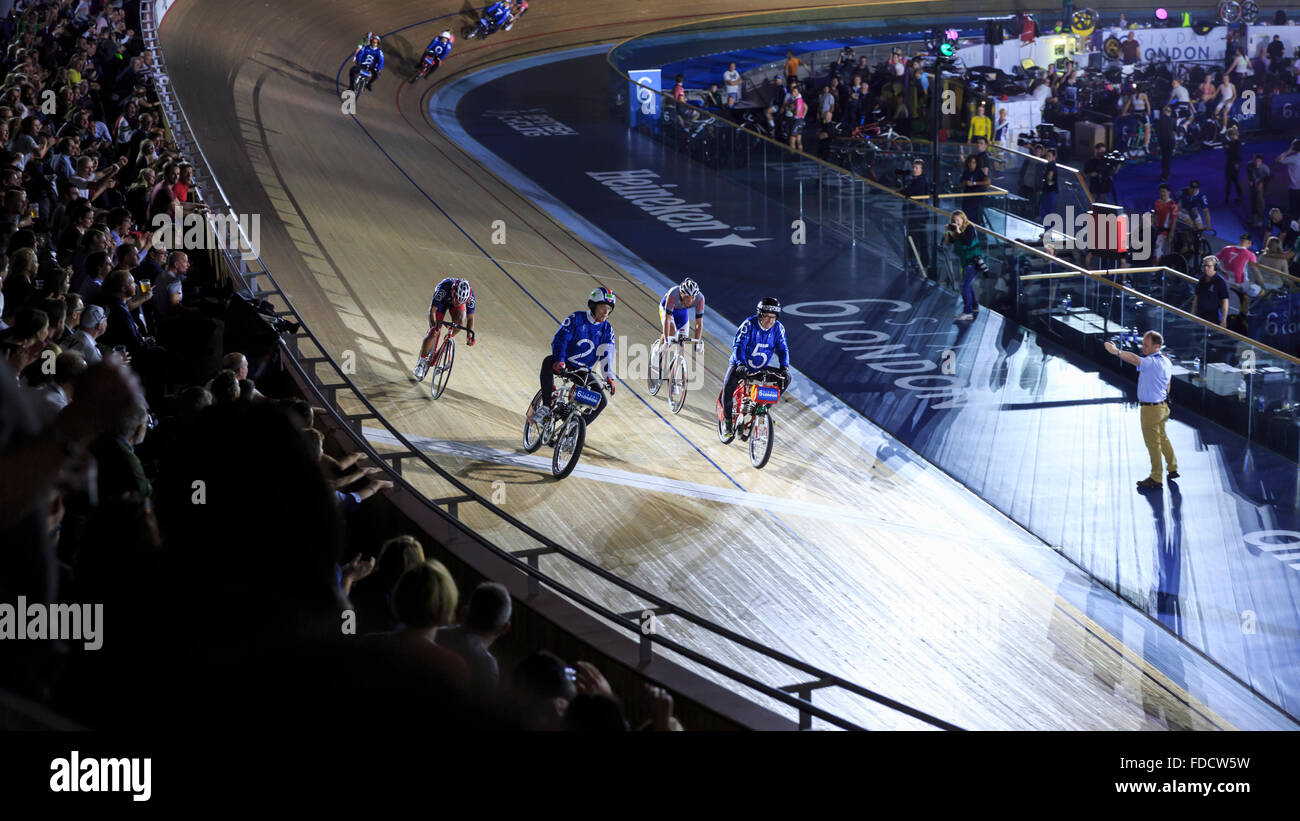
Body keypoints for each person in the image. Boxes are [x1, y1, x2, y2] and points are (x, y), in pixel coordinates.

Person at [1103, 331, 1178, 491]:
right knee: (1163, 438)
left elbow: (1134, 359)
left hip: (1150, 410)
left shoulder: (1150, 362)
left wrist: (1115, 351)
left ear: (1156, 347)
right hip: (1163, 407)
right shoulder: (1166, 362)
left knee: (1153, 444)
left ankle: (1156, 477)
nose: (1142, 347)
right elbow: (1168, 384)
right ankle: (1172, 467)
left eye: (1146, 345)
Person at [534, 287, 617, 425]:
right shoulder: (576, 318)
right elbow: (561, 339)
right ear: (593, 305)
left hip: (582, 372)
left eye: (609, 309)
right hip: (565, 363)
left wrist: (609, 378)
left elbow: (607, 354)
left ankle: (574, 431)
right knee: (548, 362)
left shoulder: (607, 329)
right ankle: (546, 406)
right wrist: (560, 359)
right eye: (603, 307)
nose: (606, 312)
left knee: (602, 401)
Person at [719, 298, 789, 436]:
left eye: (773, 317)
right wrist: (740, 365)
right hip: (741, 365)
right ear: (760, 314)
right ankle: (727, 422)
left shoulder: (778, 328)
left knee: (786, 379)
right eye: (767, 316)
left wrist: (784, 367)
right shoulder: (748, 325)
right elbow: (739, 346)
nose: (770, 321)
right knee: (728, 387)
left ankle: (763, 410)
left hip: (760, 367)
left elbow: (783, 349)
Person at [413, 277, 477, 381]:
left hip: (455, 302)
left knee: (460, 321)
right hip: (442, 302)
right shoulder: (444, 289)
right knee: (434, 332)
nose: (457, 303)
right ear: (453, 292)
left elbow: (470, 318)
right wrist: (435, 327)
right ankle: (421, 362)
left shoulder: (470, 298)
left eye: (461, 301)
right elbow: (432, 311)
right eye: (457, 300)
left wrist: (469, 336)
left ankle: (448, 338)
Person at [651, 278, 705, 379]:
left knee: (682, 345)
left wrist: (697, 343)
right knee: (671, 332)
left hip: (682, 314)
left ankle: (674, 379)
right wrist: (667, 339)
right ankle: (657, 349)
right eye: (687, 297)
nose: (690, 300)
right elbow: (667, 319)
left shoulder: (700, 298)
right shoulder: (673, 294)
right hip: (667, 310)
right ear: (681, 293)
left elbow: (699, 324)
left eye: (693, 297)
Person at [944, 210, 986, 321]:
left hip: (973, 262)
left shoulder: (970, 228)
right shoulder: (956, 231)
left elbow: (968, 242)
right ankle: (974, 306)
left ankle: (968, 312)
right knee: (968, 286)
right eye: (954, 220)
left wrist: (958, 231)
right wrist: (948, 232)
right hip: (966, 262)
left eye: (958, 219)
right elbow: (948, 242)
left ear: (963, 219)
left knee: (964, 286)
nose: (956, 222)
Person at [1191, 255, 1230, 327]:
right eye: (1204, 266)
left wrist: (1224, 319)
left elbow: (1225, 301)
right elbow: (1196, 296)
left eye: (1208, 266)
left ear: (1215, 267)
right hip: (1200, 313)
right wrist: (1192, 312)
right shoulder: (1202, 279)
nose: (1206, 268)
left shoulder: (1220, 282)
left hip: (1213, 316)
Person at [1153, 184, 1179, 260]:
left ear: (1169, 192)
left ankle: (1156, 267)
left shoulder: (1173, 205)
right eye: (1160, 192)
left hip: (1165, 231)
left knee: (1157, 248)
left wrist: (1170, 236)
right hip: (1157, 230)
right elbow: (1155, 215)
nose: (1162, 193)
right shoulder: (1157, 202)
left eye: (1164, 191)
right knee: (1156, 248)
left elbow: (1174, 221)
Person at [1275, 139, 1300, 218]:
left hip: (1294, 188)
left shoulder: (1293, 158)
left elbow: (1278, 160)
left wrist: (1289, 151)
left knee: (1294, 211)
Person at [1247, 154, 1271, 228]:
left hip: (1262, 185)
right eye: (1256, 161)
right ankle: (1253, 216)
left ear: (1261, 162)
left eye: (1259, 161)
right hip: (1254, 184)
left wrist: (1262, 183)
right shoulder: (1249, 165)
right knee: (1253, 200)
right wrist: (1250, 180)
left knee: (1260, 200)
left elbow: (1269, 177)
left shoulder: (1265, 168)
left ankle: (1260, 219)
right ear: (1253, 161)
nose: (1257, 163)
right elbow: (1249, 173)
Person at [1039, 148, 1059, 222]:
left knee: (1048, 211)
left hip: (1050, 191)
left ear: (1054, 157)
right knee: (1045, 211)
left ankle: (1048, 231)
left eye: (1049, 156)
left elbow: (1050, 178)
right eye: (1047, 156)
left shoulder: (1051, 166)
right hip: (1048, 190)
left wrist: (1048, 181)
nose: (1047, 158)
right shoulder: (1048, 165)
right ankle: (1047, 230)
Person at [1157, 105, 1176, 181]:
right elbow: (1175, 130)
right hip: (1170, 140)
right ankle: (1166, 174)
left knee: (1164, 157)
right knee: (1168, 158)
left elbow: (1158, 132)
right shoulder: (1173, 120)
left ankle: (1164, 174)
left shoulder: (1159, 120)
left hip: (1163, 141)